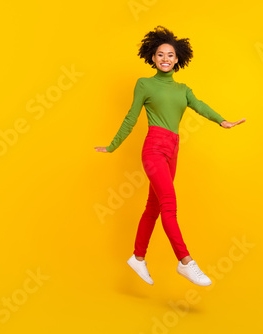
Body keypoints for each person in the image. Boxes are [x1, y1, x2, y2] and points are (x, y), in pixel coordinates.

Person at [94, 26, 245, 286]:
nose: (165, 59)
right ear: (152, 57)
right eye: (160, 54)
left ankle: (138, 257)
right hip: (153, 147)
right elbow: (131, 117)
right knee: (168, 203)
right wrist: (112, 146)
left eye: (170, 55)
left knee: (153, 207)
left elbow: (200, 106)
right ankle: (186, 261)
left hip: (173, 150)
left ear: (178, 59)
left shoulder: (183, 89)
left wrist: (222, 121)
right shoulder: (145, 84)